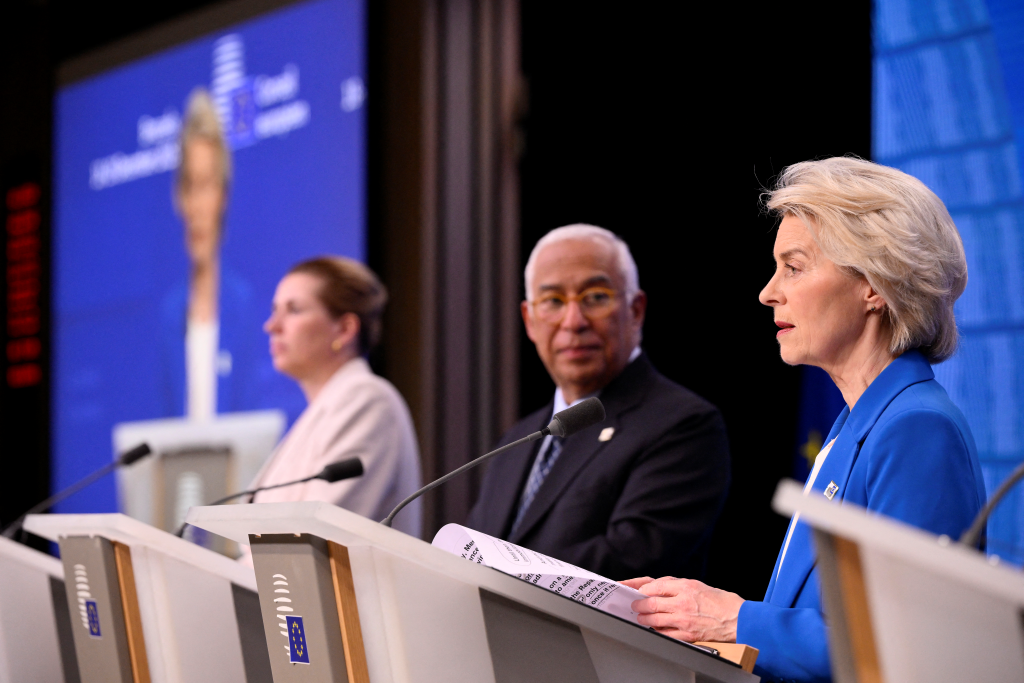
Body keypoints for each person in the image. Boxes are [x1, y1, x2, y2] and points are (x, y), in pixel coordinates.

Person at [623, 158, 986, 683]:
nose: (768, 292)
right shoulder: (857, 424)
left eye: (793, 267)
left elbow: (908, 653)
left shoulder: (917, 429)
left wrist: (733, 620)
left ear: (874, 284)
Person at [466, 224, 731, 580]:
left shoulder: (683, 425)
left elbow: (631, 561)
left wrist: (500, 576)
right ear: (529, 320)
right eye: (553, 301)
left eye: (595, 297)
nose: (573, 322)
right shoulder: (517, 440)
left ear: (635, 310)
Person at [248, 256, 423, 538]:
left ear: (344, 329)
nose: (272, 326)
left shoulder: (368, 402)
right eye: (274, 310)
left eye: (294, 310)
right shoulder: (323, 412)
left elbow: (315, 537)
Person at [161, 88, 257, 418]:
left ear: (223, 197)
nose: (197, 207)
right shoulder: (169, 312)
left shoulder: (243, 304)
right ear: (179, 199)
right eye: (190, 186)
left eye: (207, 185)